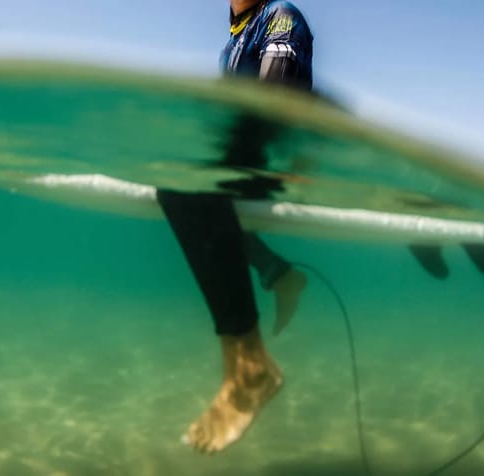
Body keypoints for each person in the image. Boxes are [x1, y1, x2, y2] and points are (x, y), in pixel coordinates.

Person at [155, 0, 314, 454]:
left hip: (279, 169)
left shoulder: (280, 14)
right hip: (249, 167)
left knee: (185, 189)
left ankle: (251, 368)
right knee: (195, 191)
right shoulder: (235, 38)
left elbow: (267, 106)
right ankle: (281, 275)